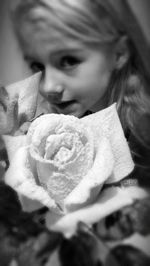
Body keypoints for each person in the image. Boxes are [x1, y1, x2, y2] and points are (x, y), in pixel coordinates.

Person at [11, 1, 150, 184]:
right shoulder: (44, 130)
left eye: (69, 61)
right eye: (37, 66)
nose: (48, 87)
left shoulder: (143, 133)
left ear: (119, 53)